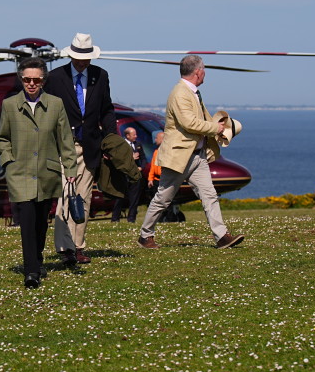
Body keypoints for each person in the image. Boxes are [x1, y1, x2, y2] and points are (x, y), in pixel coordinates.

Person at [137, 55, 244, 249]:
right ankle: (145, 235)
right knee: (163, 198)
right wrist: (216, 129)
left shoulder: (192, 92)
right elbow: (189, 123)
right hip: (180, 156)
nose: (205, 73)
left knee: (209, 195)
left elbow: (200, 119)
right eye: (204, 69)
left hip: (197, 155)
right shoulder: (180, 93)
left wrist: (216, 127)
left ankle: (221, 237)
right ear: (198, 72)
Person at [0, 57, 77, 288]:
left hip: (47, 173)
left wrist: (70, 168)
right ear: (21, 80)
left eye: (36, 80)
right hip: (19, 173)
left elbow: (66, 141)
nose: (31, 84)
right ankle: (31, 271)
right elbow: (2, 137)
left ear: (43, 81)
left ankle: (38, 259)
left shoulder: (56, 104)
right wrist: (8, 161)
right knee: (28, 221)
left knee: (41, 222)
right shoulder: (9, 105)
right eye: (27, 79)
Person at [43, 33, 116, 265]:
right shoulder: (55, 78)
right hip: (63, 146)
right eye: (79, 57)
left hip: (91, 147)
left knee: (83, 199)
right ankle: (65, 249)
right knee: (66, 196)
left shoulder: (100, 76)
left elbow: (107, 110)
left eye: (87, 58)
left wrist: (110, 140)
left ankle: (78, 246)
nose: (83, 62)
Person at [111, 127, 146, 223]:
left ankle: (131, 219)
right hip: (124, 175)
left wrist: (141, 167)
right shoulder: (120, 145)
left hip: (135, 175)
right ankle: (115, 218)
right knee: (120, 197)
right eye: (134, 134)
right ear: (127, 135)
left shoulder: (138, 144)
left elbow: (143, 158)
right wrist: (131, 158)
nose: (136, 136)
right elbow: (118, 159)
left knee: (134, 198)